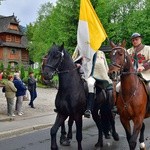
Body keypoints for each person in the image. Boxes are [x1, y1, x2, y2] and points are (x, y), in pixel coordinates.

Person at [73, 48, 113, 118]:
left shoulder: (101, 53)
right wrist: (77, 65)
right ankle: (63, 106)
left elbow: (105, 66)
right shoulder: (82, 50)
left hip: (95, 75)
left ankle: (109, 106)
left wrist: (104, 74)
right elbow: (74, 61)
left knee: (108, 86)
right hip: (82, 75)